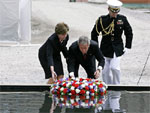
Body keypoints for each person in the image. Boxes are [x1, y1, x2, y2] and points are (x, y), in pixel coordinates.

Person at [91, 0, 133, 84]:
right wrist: (95, 47)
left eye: (116, 12)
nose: (115, 14)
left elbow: (129, 32)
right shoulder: (102, 20)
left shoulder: (122, 19)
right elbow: (94, 33)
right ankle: (108, 86)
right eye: (113, 12)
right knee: (105, 70)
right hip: (105, 48)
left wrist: (128, 46)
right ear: (108, 9)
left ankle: (117, 86)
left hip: (117, 48)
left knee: (114, 68)